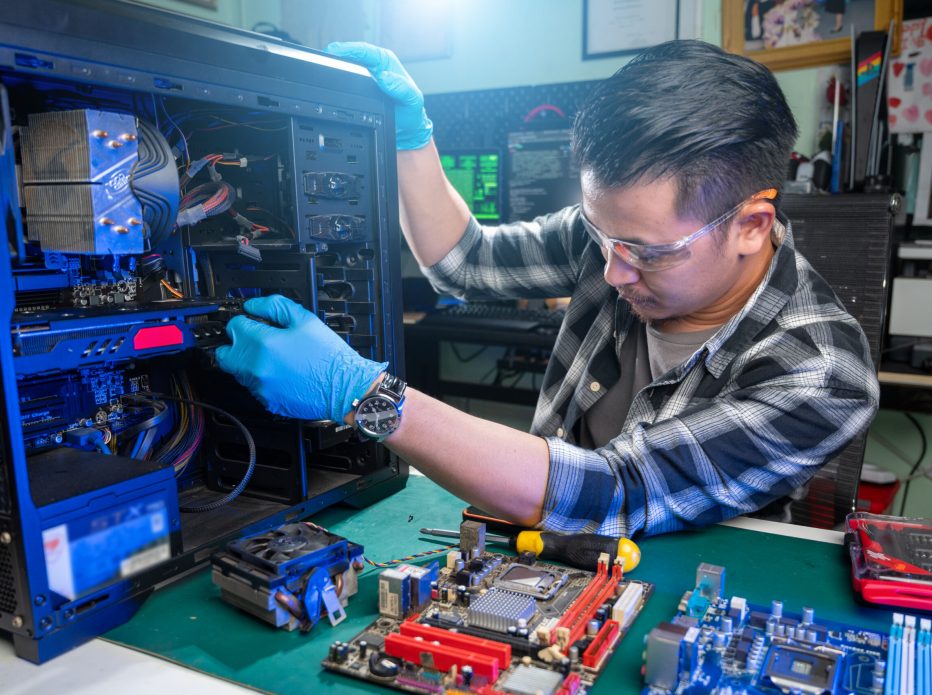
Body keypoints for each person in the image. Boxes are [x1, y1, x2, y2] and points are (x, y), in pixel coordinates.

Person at [215, 40, 879, 538]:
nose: (614, 272)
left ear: (750, 225)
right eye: (600, 234)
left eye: (647, 253)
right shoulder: (617, 239)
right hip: (544, 547)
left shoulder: (821, 373)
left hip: (684, 585)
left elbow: (616, 492)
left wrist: (366, 395)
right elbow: (467, 263)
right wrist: (412, 138)